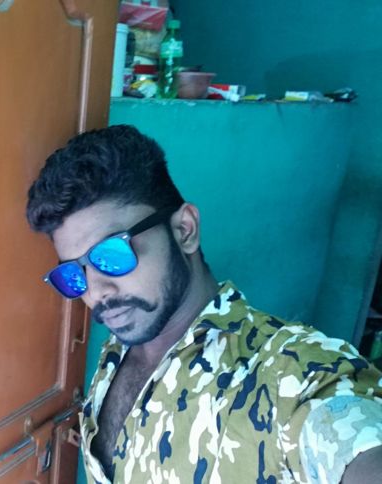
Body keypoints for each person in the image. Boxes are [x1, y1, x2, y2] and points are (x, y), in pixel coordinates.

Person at [26, 125, 382, 484]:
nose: (96, 292)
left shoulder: (286, 374)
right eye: (74, 274)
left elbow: (351, 437)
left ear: (185, 230)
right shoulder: (118, 349)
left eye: (112, 254)